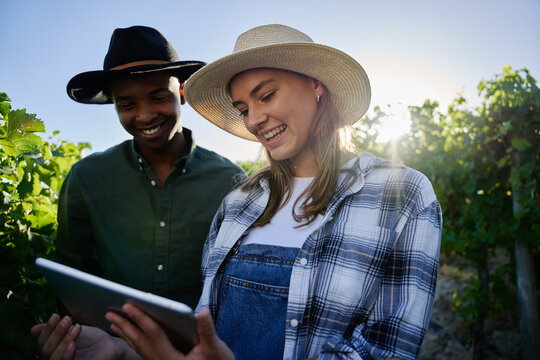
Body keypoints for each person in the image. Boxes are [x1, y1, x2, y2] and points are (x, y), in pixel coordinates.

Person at [35, 24, 442, 360]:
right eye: (243, 108)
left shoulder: (402, 195)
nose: (255, 120)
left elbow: (388, 350)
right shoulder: (239, 204)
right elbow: (206, 339)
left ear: (317, 86)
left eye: (266, 95)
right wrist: (123, 352)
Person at [31, 25, 243, 359]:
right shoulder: (86, 179)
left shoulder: (231, 182)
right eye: (126, 103)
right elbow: (73, 280)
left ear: (182, 91)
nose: (144, 115)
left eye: (158, 97)